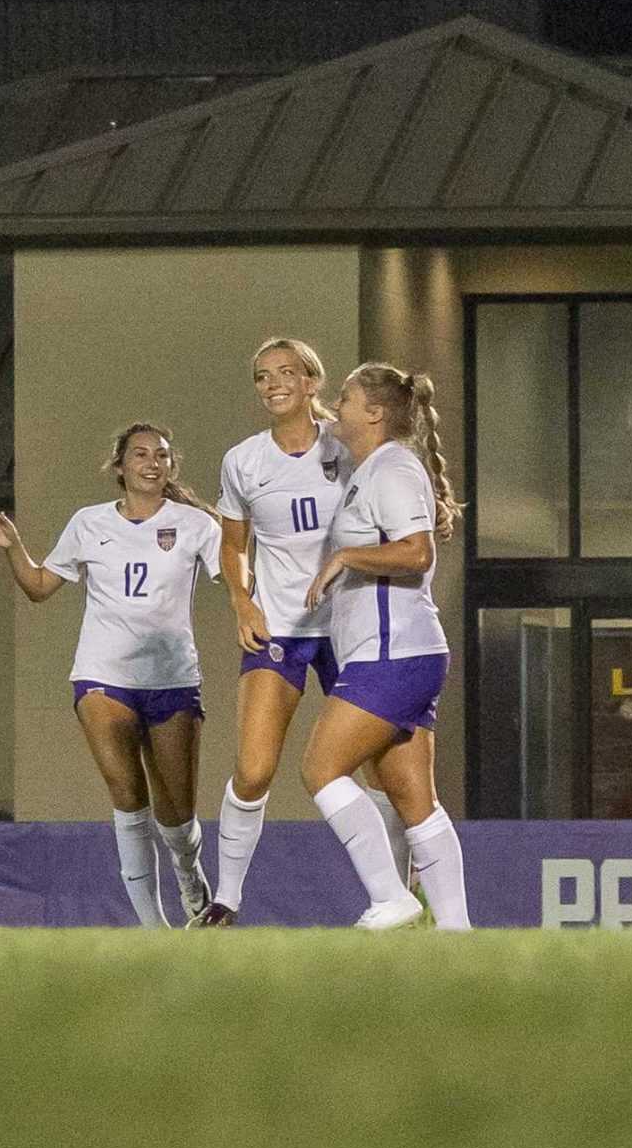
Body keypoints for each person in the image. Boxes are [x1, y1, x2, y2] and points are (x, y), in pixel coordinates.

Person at [194, 337, 415, 927]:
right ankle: (227, 899)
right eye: (263, 376)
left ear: (313, 382)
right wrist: (242, 601)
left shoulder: (348, 447)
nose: (273, 384)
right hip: (281, 631)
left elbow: (399, 503)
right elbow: (233, 542)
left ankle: (397, 896)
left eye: (286, 372)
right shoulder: (243, 460)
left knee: (383, 773)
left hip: (352, 627)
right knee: (255, 767)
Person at [0, 423, 222, 927]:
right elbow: (41, 587)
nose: (152, 462)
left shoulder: (196, 525)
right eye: (140, 454)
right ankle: (156, 935)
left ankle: (188, 869)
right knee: (127, 796)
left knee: (175, 814)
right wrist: (12, 545)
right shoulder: (89, 523)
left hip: (173, 678)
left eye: (161, 455)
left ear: (171, 466)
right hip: (102, 677)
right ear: (119, 466)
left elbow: (239, 579)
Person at [298, 362, 471, 931]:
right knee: (416, 804)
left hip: (391, 653)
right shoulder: (370, 469)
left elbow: (416, 552)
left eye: (344, 397)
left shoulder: (391, 468)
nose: (335, 406)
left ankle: (390, 898)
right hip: (403, 653)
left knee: (322, 769)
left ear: (373, 413)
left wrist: (344, 558)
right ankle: (457, 934)